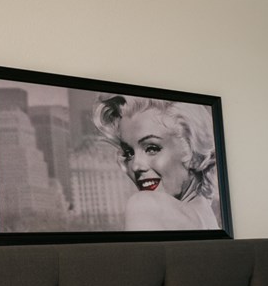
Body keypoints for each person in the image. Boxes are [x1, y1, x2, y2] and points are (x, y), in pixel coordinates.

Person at [93, 95, 220, 230]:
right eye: (129, 153)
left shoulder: (144, 205)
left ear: (194, 153)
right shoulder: (208, 219)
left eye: (152, 148)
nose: (136, 166)